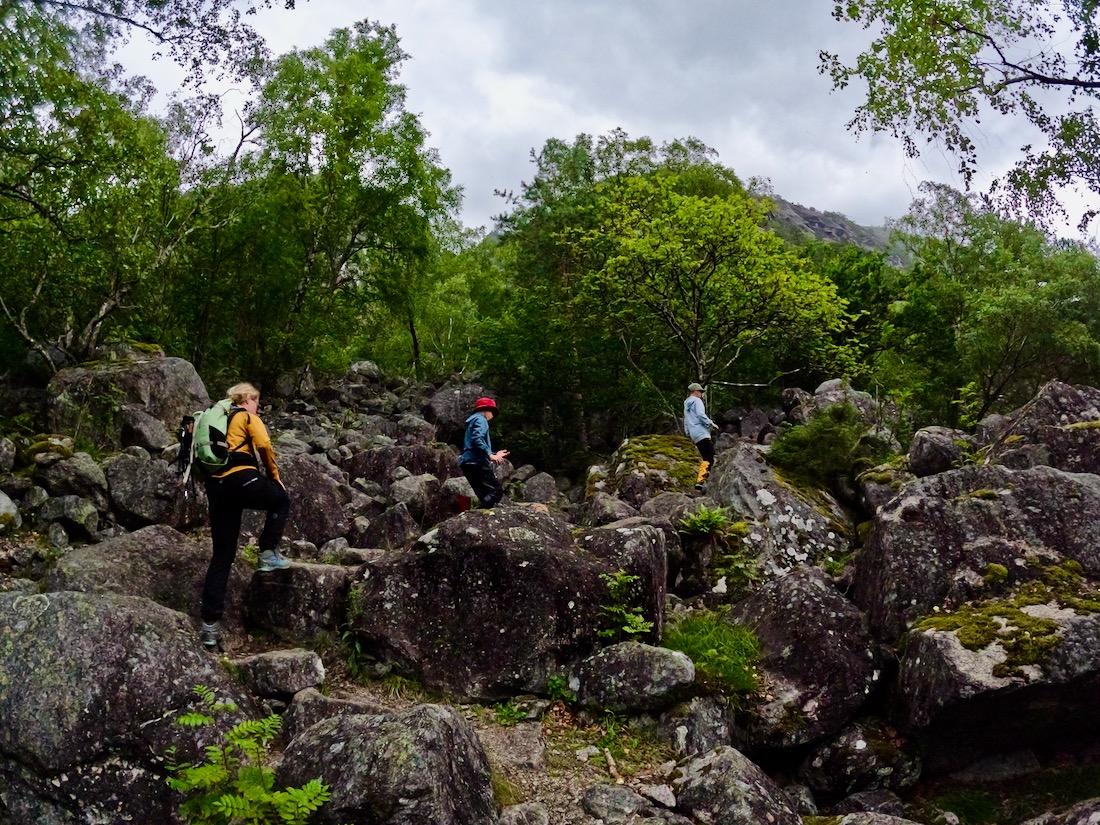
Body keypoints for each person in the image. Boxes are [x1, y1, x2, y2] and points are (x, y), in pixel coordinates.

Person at [199, 382, 291, 651]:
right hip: (241, 479)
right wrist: (275, 477)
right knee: (281, 499)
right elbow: (264, 445)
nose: (258, 406)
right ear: (246, 399)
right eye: (256, 401)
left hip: (217, 489)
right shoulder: (247, 417)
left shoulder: (217, 422)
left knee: (222, 556)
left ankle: (209, 628)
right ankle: (267, 553)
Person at [459, 396, 509, 508]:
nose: (493, 415)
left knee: (484, 495)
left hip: (467, 463)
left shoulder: (472, 421)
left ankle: (479, 514)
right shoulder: (481, 419)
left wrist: (494, 454)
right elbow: (477, 438)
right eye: (492, 412)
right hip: (477, 462)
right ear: (486, 410)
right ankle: (480, 514)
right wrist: (490, 455)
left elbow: (473, 445)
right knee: (496, 491)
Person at [684, 381, 718, 491]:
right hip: (702, 432)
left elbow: (686, 420)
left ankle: (701, 481)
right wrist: (711, 424)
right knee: (710, 457)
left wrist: (688, 433)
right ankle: (702, 481)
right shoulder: (697, 401)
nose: (701, 393)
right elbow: (700, 415)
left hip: (694, 434)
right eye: (700, 391)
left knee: (705, 457)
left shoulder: (686, 403)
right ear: (695, 391)